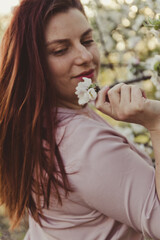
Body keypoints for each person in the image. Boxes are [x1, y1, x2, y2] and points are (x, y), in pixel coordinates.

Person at [0, 0, 160, 239]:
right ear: (33, 65)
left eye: (87, 40)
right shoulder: (84, 145)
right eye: (60, 50)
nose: (85, 56)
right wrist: (156, 123)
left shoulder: (37, 124)